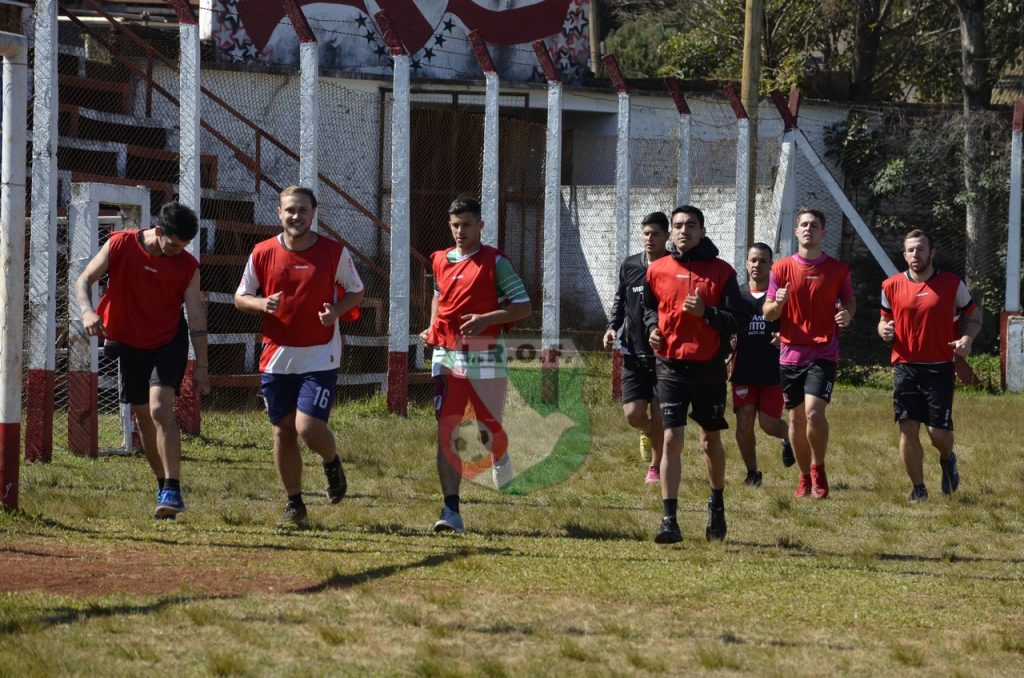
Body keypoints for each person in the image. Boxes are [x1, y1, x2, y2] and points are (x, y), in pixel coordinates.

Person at [234, 185, 364, 530]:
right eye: (290, 210)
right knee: (283, 432)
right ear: (279, 213)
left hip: (321, 355)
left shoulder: (334, 252)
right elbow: (240, 297)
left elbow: (356, 290)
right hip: (277, 356)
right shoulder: (262, 253)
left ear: (313, 213)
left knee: (307, 427)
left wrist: (335, 311)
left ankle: (332, 461)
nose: (296, 216)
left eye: (302, 210)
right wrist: (262, 304)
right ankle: (295, 505)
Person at [77, 202, 210, 519]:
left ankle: (174, 489)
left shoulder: (187, 267)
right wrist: (87, 311)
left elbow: (195, 317)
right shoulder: (121, 243)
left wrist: (202, 367)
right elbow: (84, 280)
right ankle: (163, 485)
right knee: (143, 417)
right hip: (130, 341)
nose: (180, 252)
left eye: (185, 247)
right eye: (175, 245)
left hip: (167, 341)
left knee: (159, 407)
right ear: (159, 232)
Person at [419, 196, 531, 534]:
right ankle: (451, 511)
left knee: (486, 427)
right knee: (447, 430)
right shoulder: (439, 259)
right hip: (446, 354)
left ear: (480, 225)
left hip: (484, 352)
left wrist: (485, 319)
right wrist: (433, 325)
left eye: (466, 224)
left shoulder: (495, 263)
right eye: (455, 225)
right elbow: (440, 295)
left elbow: (523, 305)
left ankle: (499, 453)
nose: (460, 231)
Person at [644, 205, 748, 543]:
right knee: (672, 438)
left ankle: (716, 504)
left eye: (691, 225)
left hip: (708, 368)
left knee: (708, 440)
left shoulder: (722, 272)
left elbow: (736, 320)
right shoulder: (657, 270)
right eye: (677, 226)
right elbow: (647, 309)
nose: (683, 231)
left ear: (702, 231)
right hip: (670, 366)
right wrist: (651, 331)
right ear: (670, 232)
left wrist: (707, 313)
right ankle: (668, 520)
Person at [878, 229, 980, 502]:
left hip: (939, 367)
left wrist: (967, 339)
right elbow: (884, 321)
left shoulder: (951, 283)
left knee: (938, 434)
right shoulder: (891, 286)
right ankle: (918, 488)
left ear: (932, 253)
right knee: (908, 427)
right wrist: (884, 331)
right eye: (911, 250)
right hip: (905, 366)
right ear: (904, 254)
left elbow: (974, 315)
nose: (915, 254)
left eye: (921, 249)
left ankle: (948, 459)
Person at [763, 207, 855, 499]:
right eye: (803, 225)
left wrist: (846, 316)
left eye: (814, 225)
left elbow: (849, 303)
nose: (808, 229)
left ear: (823, 233)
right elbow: (767, 313)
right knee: (796, 420)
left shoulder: (838, 270)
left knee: (814, 414)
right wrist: (777, 304)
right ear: (796, 231)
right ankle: (804, 477)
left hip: (823, 352)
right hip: (790, 354)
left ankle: (819, 468)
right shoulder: (780, 269)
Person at [603, 212, 669, 485]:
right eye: (645, 234)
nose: (649, 239)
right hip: (632, 349)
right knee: (634, 415)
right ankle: (646, 431)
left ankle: (654, 467)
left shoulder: (673, 266)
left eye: (655, 234)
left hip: (663, 354)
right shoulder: (630, 265)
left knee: (659, 411)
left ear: (666, 236)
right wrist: (611, 327)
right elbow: (620, 299)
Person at [731, 243, 794, 487]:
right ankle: (753, 472)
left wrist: (784, 338)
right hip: (744, 371)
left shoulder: (778, 296)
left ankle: (788, 437)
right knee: (744, 424)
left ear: (771, 265)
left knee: (768, 424)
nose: (757, 265)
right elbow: (727, 324)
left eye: (763, 261)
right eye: (753, 260)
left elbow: (792, 324)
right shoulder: (737, 296)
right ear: (746, 263)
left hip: (772, 371)